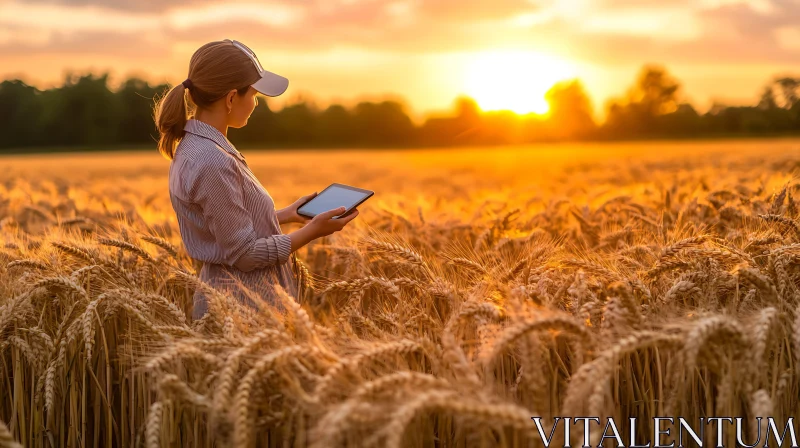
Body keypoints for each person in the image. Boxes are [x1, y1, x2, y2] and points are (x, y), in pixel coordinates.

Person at [154, 39, 359, 320]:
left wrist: (286, 215)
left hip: (237, 305)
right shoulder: (212, 160)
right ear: (230, 99)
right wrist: (313, 231)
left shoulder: (195, 148)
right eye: (254, 95)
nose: (255, 104)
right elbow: (244, 254)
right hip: (244, 310)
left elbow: (222, 224)